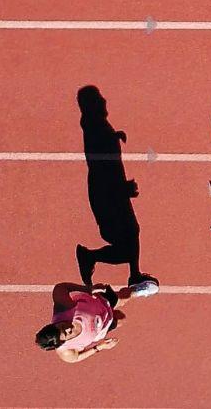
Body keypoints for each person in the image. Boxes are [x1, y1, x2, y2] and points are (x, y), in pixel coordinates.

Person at [75, 86, 153, 290]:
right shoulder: (95, 125)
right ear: (92, 104)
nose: (104, 100)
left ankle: (134, 273)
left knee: (131, 233)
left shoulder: (96, 124)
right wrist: (121, 189)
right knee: (128, 239)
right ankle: (90, 256)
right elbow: (102, 166)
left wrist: (114, 136)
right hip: (107, 193)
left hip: (110, 190)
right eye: (99, 98)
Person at [35, 279, 156, 363]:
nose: (68, 328)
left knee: (123, 298)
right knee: (121, 318)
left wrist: (87, 289)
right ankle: (115, 311)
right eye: (67, 334)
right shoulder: (65, 351)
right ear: (62, 343)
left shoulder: (64, 308)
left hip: (99, 302)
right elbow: (76, 358)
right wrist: (99, 347)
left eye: (61, 326)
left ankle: (137, 289)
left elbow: (61, 287)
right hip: (102, 326)